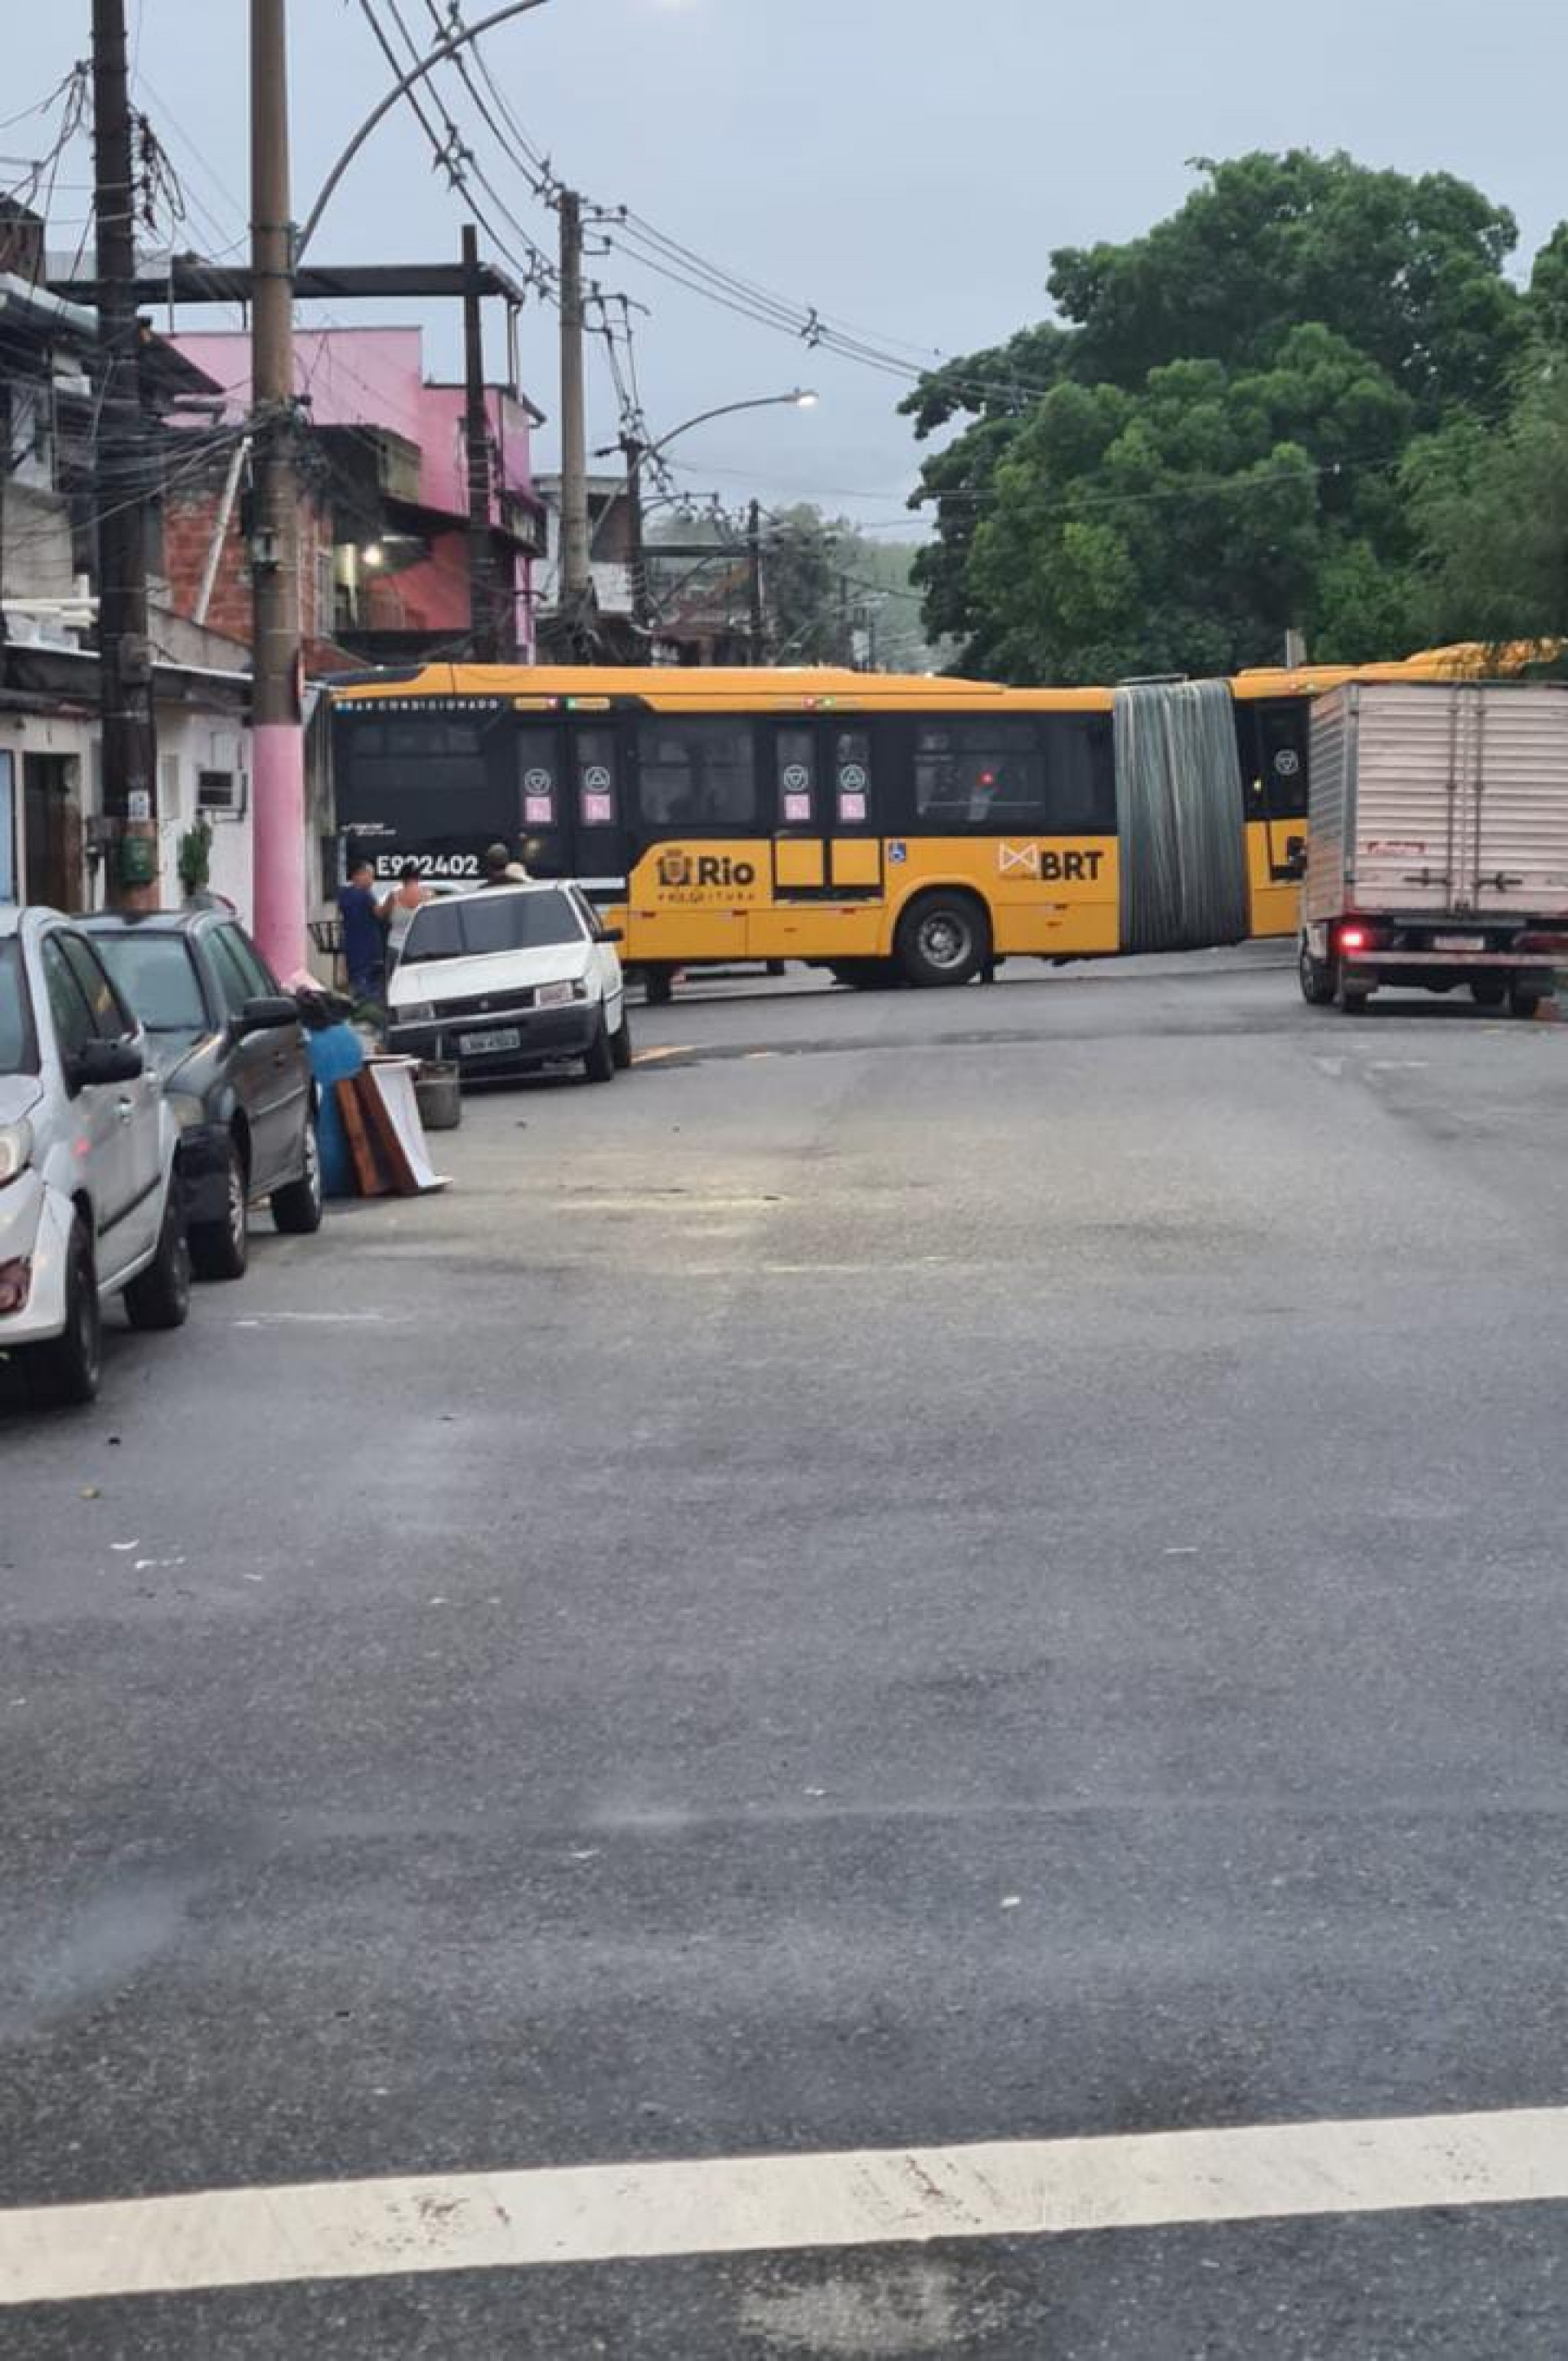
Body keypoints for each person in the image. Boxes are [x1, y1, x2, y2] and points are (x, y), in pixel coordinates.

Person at [337, 860, 385, 1002]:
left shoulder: (344, 894)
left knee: (357, 990)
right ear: (359, 875)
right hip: (368, 954)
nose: (372, 880)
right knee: (370, 994)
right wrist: (392, 901)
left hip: (353, 953)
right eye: (370, 876)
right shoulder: (366, 896)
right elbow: (380, 914)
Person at [381, 862, 430, 970]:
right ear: (418, 877)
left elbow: (382, 916)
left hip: (395, 947)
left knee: (395, 984)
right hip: (420, 948)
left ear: (402, 878)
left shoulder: (393, 897)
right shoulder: (428, 896)